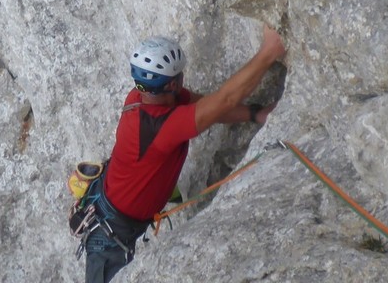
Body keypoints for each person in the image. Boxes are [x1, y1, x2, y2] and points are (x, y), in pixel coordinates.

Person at [83, 25, 287, 282]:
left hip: (113, 221)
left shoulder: (142, 97)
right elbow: (223, 101)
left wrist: (253, 114)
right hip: (110, 238)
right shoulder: (161, 128)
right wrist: (269, 51)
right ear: (172, 83)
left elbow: (209, 109)